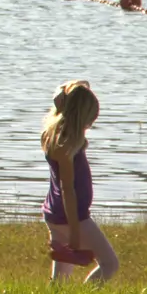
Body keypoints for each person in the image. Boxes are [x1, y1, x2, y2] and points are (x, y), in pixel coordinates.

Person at [41, 79, 118, 283]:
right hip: (73, 218)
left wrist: (71, 91)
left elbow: (61, 93)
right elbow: (68, 190)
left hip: (54, 214)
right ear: (80, 118)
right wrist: (75, 234)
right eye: (89, 121)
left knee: (61, 278)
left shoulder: (52, 135)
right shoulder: (66, 146)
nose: (90, 125)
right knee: (110, 264)